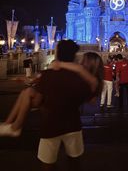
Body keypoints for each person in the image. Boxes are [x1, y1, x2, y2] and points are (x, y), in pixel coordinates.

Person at [0, 40, 103, 171]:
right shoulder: (82, 78)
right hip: (73, 125)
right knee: (74, 162)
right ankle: (13, 125)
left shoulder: (49, 74)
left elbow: (37, 102)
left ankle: (13, 125)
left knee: (47, 164)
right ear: (74, 56)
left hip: (50, 126)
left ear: (57, 54)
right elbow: (90, 98)